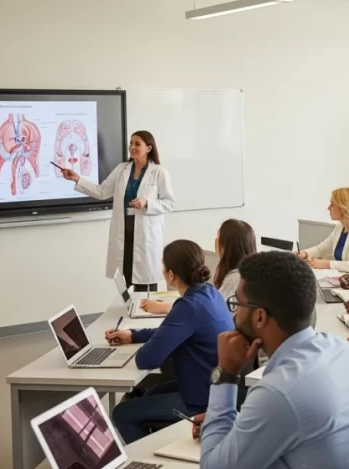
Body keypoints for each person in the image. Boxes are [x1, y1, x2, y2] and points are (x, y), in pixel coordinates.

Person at [198, 251, 349, 468]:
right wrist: (240, 427)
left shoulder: (280, 392)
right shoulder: (342, 350)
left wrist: (226, 372)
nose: (235, 315)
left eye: (238, 304)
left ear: (260, 317)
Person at [104, 240, 233, 443]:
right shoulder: (210, 292)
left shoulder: (188, 306)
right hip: (214, 386)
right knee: (151, 392)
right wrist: (134, 335)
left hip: (202, 400)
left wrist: (145, 344)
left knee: (122, 413)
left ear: (171, 275)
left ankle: (142, 457)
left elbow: (146, 360)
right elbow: (172, 331)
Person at [62, 130, 175, 291]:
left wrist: (147, 203)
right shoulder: (122, 169)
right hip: (124, 233)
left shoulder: (159, 173)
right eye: (131, 143)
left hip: (145, 235)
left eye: (137, 144)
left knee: (145, 287)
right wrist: (77, 178)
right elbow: (101, 192)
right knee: (125, 284)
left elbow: (169, 203)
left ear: (149, 148)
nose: (132, 147)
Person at [141, 219, 257, 314]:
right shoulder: (243, 273)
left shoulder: (235, 278)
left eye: (218, 235)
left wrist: (164, 307)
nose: (215, 239)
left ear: (226, 245)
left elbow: (208, 309)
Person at [298, 187, 349, 274]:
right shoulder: (340, 227)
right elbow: (322, 249)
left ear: (344, 207)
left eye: (332, 204)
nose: (328, 208)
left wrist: (328, 264)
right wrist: (304, 253)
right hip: (345, 278)